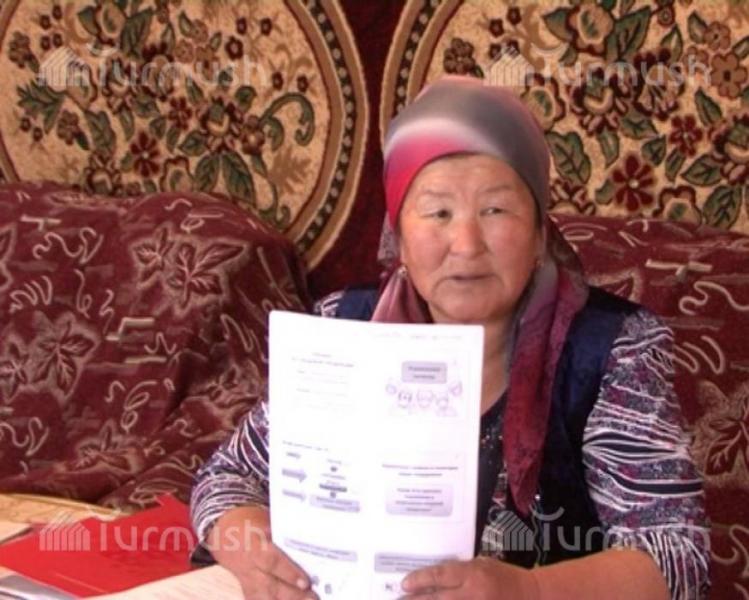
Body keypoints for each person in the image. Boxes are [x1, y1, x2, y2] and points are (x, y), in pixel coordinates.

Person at [190, 76, 710, 600]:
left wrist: (530, 592)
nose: (466, 244)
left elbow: (676, 557)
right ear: (399, 237)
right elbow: (227, 477)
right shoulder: (345, 330)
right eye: (438, 212)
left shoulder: (611, 350)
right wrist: (251, 548)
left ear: (539, 233)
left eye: (495, 210)